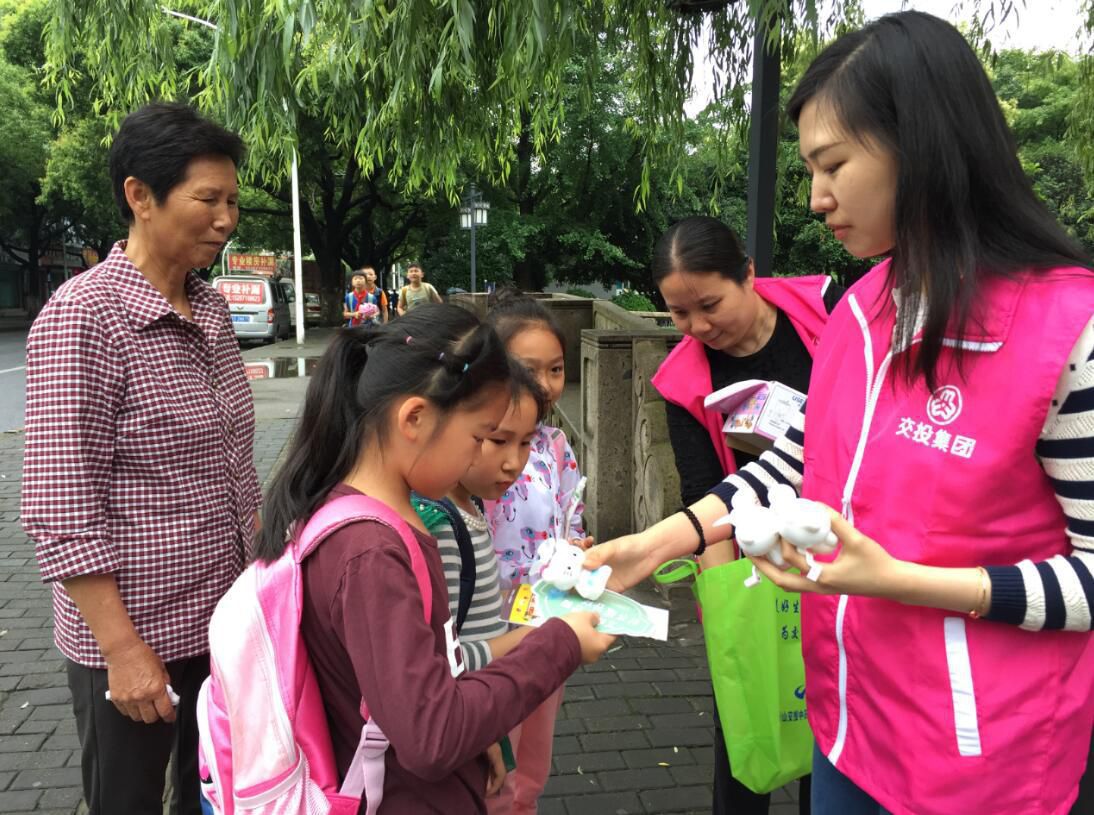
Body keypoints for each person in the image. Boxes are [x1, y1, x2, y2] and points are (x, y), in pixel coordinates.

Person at [588, 12, 1094, 815]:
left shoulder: (1070, 330)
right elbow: (798, 459)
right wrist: (657, 542)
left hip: (980, 760)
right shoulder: (860, 312)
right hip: (847, 725)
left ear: (920, 145)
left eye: (833, 164)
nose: (817, 197)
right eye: (809, 169)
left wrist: (898, 581)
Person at [255, 303, 615, 812]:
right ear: (416, 419)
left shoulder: (375, 517)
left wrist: (477, 725)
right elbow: (430, 735)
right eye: (480, 437)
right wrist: (561, 643)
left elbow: (432, 685)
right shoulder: (370, 554)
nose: (483, 457)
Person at [21, 102, 259, 815]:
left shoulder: (210, 309)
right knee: (126, 800)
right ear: (140, 196)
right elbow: (61, 504)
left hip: (221, 622)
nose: (226, 219)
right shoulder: (84, 317)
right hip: (134, 636)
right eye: (208, 199)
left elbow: (234, 466)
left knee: (214, 794)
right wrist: (122, 651)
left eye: (233, 201)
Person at [652, 215, 840, 815]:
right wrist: (726, 609)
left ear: (749, 275)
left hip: (844, 555)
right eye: (680, 313)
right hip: (754, 562)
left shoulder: (828, 316)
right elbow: (704, 495)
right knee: (745, 725)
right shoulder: (683, 381)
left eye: (710, 305)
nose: (699, 327)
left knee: (832, 727)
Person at [483, 289, 587, 814]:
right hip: (485, 627)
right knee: (492, 756)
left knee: (533, 759)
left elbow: (571, 518)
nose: (545, 385)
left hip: (543, 615)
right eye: (528, 370)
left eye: (556, 369)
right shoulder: (474, 445)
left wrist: (578, 551)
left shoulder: (555, 446)